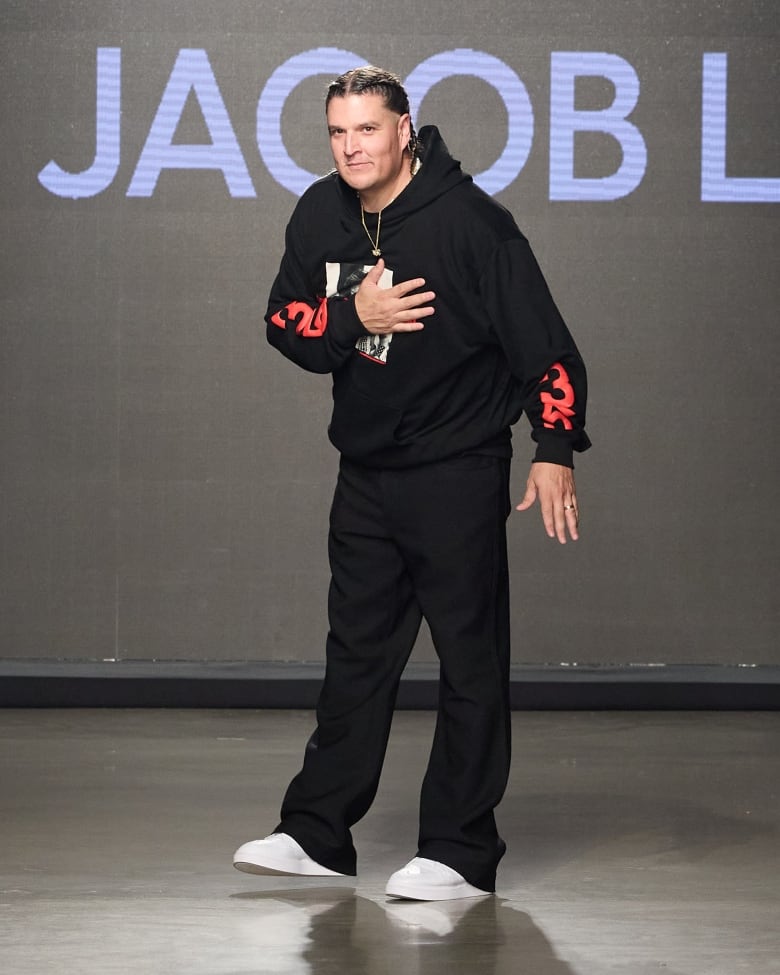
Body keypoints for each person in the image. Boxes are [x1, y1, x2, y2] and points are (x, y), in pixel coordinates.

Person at [233, 65, 590, 901]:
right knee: (354, 658)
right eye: (337, 132)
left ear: (405, 131)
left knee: (470, 662)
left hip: (457, 470)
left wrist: (554, 449)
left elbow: (550, 352)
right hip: (366, 472)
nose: (352, 147)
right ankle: (316, 833)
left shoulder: (474, 224)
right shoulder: (320, 211)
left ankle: (460, 852)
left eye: (367, 129)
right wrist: (356, 318)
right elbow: (285, 320)